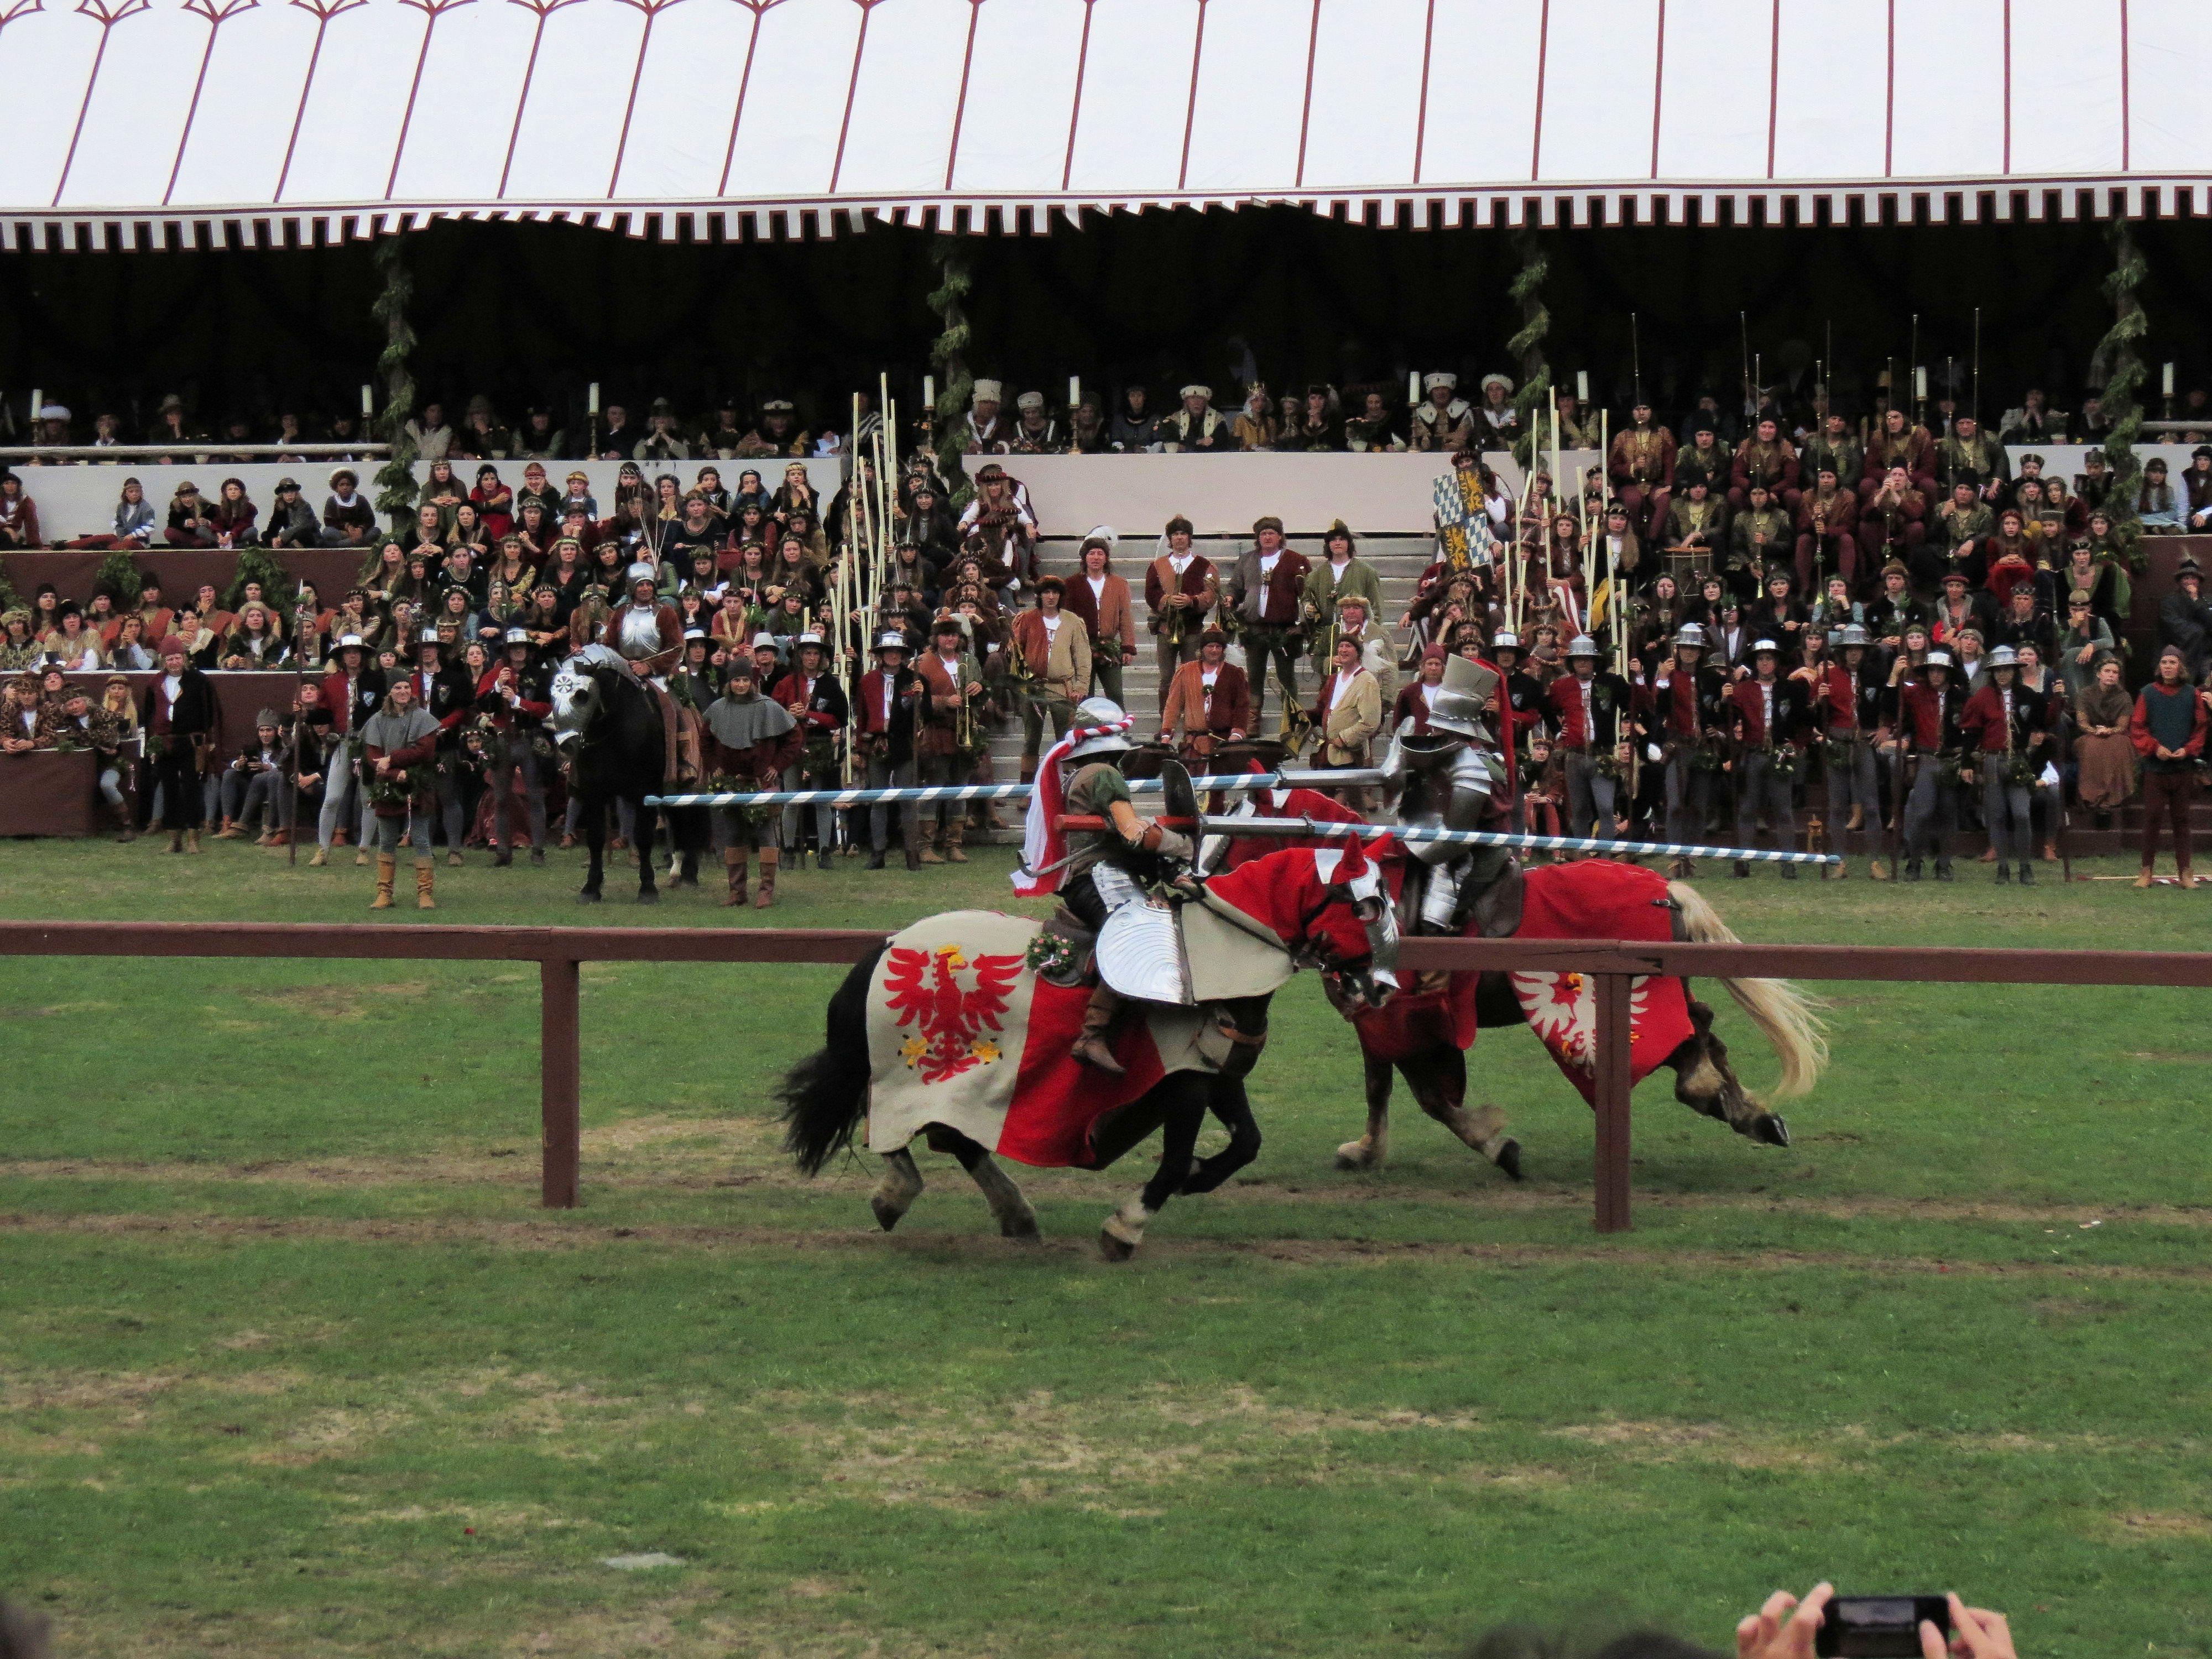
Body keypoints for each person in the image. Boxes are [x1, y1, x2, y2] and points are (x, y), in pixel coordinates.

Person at [703, 654, 800, 906]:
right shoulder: (718, 709)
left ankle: (766, 890)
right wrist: (714, 766)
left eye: (745, 680)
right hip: (731, 784)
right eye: (736, 680)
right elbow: (706, 741)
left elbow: (793, 737)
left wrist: (776, 766)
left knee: (766, 835)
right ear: (730, 682)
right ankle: (737, 891)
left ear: (752, 682)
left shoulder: (768, 707)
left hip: (761, 784)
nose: (741, 685)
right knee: (734, 835)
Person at [1958, 644, 2049, 884]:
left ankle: (2025, 866)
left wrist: (2058, 698)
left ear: (2015, 670)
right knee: (1996, 815)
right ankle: (2003, 868)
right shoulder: (1982, 698)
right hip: (1992, 760)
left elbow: (2044, 727)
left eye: (2007, 669)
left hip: (2018, 760)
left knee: (2021, 814)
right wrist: (1967, 762)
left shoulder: (2030, 696)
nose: (2002, 674)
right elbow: (1971, 732)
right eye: (1998, 670)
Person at [1727, 638, 1810, 877]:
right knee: (1748, 810)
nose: (1765, 663)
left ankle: (1788, 862)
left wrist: (1797, 745)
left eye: (1769, 659)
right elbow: (1730, 719)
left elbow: (1803, 720)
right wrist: (1726, 700)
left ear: (1776, 663)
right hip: (1753, 753)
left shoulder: (1790, 689)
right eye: (1761, 659)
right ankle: (1742, 862)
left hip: (1780, 754)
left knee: (1784, 810)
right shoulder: (1742, 690)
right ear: (1756, 663)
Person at [1648, 623, 1726, 873]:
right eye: (1685, 648)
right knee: (1676, 804)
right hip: (1678, 747)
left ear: (1700, 651)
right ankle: (1675, 855)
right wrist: (1661, 680)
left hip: (1702, 748)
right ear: (1678, 649)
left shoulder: (1712, 678)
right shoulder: (1668, 677)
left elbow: (1717, 714)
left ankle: (1693, 855)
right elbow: (1658, 710)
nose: (1689, 653)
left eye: (1694, 648)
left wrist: (1723, 706)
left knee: (1699, 805)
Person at [359, 676, 441, 909]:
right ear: (390, 692)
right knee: (386, 841)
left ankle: (425, 894)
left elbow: (425, 751)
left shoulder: (425, 719)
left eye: (406, 687)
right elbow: (374, 757)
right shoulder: (377, 720)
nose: (403, 691)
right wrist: (395, 774)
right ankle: (384, 894)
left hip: (419, 783)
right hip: (387, 785)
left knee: (422, 839)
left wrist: (394, 759)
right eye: (398, 687)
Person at [2131, 642, 2206, 888]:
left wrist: (2189, 750)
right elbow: (2137, 727)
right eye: (2164, 662)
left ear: (2180, 666)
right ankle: (2146, 872)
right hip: (2156, 768)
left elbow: (2201, 727)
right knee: (2152, 818)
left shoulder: (2191, 694)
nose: (2168, 667)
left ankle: (2185, 872)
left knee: (2182, 820)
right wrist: (2155, 748)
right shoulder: (2148, 693)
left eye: (2172, 662)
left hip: (2182, 768)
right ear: (2159, 666)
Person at [911, 614, 984, 864]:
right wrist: (944, 702)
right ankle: (925, 846)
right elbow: (913, 699)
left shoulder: (970, 661)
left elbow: (984, 693)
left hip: (965, 733)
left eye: (954, 634)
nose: (950, 639)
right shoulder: (922, 663)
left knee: (960, 789)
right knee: (934, 788)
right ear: (936, 638)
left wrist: (979, 688)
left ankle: (954, 844)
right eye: (945, 634)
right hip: (937, 734)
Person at [476, 627, 551, 865]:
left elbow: (546, 708)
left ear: (528, 651)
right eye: (514, 648)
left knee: (535, 797)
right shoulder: (495, 674)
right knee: (501, 798)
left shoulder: (540, 674)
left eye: (523, 647)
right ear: (507, 651)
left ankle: (538, 850)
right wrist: (498, 687)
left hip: (529, 738)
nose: (519, 651)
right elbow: (482, 703)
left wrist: (518, 702)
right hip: (502, 740)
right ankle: (503, 851)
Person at [773, 632, 848, 867]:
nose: (812, 658)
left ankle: (824, 851)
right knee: (792, 799)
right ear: (800, 656)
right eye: (807, 653)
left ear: (822, 657)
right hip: (792, 745)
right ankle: (787, 851)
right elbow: (773, 715)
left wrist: (810, 715)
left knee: (821, 799)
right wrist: (789, 715)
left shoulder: (831, 684)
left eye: (816, 653)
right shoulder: (787, 683)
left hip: (820, 744)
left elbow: (839, 719)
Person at [1893, 645, 1966, 880]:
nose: (1936, 674)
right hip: (1926, 759)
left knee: (1948, 813)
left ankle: (1944, 864)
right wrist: (1895, 675)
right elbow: (1891, 702)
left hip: (1951, 760)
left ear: (1948, 672)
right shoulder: (1916, 693)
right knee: (1922, 812)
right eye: (1932, 670)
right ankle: (1914, 862)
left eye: (1940, 670)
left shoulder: (1961, 696)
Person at [1230, 515, 1311, 727]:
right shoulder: (1247, 560)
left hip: (1284, 630)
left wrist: (1303, 623)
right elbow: (1235, 587)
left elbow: (1307, 594)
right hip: (1254, 628)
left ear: (1280, 537)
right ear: (1258, 537)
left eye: (1272, 533)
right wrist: (1231, 598)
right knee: (1254, 675)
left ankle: (1292, 720)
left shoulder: (1296, 561)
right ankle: (1253, 719)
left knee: (1286, 677)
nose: (1267, 537)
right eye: (1263, 534)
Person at [1548, 634, 1630, 842]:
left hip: (1602, 755)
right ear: (1572, 662)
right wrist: (1558, 731)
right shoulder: (1561, 687)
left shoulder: (1612, 682)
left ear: (1595, 661)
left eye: (1587, 658)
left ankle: (1605, 856)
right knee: (1580, 809)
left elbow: (1633, 704)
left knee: (1605, 806)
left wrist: (1638, 677)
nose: (1582, 662)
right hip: (1574, 756)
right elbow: (1546, 708)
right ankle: (1583, 857)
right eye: (1578, 658)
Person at [139, 634, 216, 851]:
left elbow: (209, 712)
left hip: (190, 743)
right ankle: (174, 839)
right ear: (164, 661)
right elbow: (149, 713)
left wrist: (205, 740)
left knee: (191, 788)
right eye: (170, 659)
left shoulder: (199, 681)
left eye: (177, 658)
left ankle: (193, 839)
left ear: (184, 658)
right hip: (165, 744)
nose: (174, 663)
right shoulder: (155, 683)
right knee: (169, 789)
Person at [1011, 576, 1091, 786]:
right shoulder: (1027, 619)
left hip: (1062, 687)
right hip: (1033, 687)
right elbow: (1016, 655)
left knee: (1065, 741)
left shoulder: (1073, 621)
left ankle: (1067, 786)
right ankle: (1027, 790)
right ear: (1039, 595)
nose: (1051, 597)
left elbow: (1082, 657)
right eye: (1047, 592)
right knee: (1031, 740)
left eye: (1055, 593)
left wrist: (1080, 686)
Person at [854, 630, 922, 869]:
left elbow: (927, 714)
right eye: (888, 652)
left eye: (897, 652)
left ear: (902, 655)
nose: (893, 656)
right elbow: (861, 716)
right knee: (878, 799)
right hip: (876, 743)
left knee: (908, 799)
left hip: (903, 742)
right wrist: (860, 747)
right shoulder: (867, 681)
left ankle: (912, 853)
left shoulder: (915, 680)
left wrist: (920, 698)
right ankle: (878, 852)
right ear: (881, 655)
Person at [1144, 515, 1218, 712]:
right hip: (1166, 629)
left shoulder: (1204, 565)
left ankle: (1192, 716)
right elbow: (1151, 593)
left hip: (1192, 630)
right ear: (1170, 539)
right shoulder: (1158, 566)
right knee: (1167, 677)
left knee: (1193, 675)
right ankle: (1166, 717)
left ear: (1189, 538)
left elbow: (1211, 594)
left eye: (1183, 534)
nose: (1179, 538)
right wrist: (1167, 600)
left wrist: (1191, 601)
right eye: (1175, 534)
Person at [1062, 530, 1136, 705]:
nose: (1096, 557)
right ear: (1085, 558)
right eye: (1091, 553)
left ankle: (1119, 729)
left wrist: (1128, 647)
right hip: (1082, 648)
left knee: (1116, 694)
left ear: (1106, 558)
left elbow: (1125, 615)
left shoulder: (1119, 583)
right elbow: (1066, 618)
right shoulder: (1072, 584)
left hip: (1108, 647)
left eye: (1100, 553)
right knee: (1084, 696)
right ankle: (1085, 730)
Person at [1158, 625, 1250, 764]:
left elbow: (1242, 706)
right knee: (1193, 782)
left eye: (1218, 647)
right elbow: (1173, 706)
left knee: (1220, 784)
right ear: (1202, 648)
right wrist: (1166, 734)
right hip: (1194, 742)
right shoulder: (1186, 671)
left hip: (1224, 742)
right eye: (1211, 646)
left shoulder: (1235, 673)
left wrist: (1237, 734)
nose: (1215, 650)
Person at [2073, 653, 2136, 821]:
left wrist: (2109, 731)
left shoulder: (2124, 697)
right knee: (2092, 746)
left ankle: (2116, 795)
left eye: (2115, 673)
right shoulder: (2085, 694)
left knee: (2120, 744)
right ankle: (2091, 795)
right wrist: (2096, 731)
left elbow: (2123, 726)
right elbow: (2082, 721)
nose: (2111, 675)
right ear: (2099, 674)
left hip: (2115, 734)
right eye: (2107, 671)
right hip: (2090, 733)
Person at [217, 710, 295, 844]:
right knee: (229, 774)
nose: (265, 735)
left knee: (268, 778)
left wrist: (267, 767)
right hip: (251, 790)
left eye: (269, 730)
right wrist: (239, 765)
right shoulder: (252, 749)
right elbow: (233, 763)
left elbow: (286, 766)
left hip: (272, 788)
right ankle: (227, 822)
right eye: (262, 730)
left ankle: (250, 826)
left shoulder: (283, 749)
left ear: (276, 731)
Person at [2158, 558, 2212, 681]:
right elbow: (2173, 626)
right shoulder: (2169, 601)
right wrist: (2198, 631)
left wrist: (2196, 600)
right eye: (2186, 578)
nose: (2190, 582)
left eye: (2193, 578)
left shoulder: (2205, 601)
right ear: (2180, 581)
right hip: (2181, 654)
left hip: (2205, 654)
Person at [1407, 373, 1473, 452]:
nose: (1441, 393)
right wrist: (1449, 436)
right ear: (1431, 392)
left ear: (1450, 391)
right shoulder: (1421, 412)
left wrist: (1452, 443)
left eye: (1444, 388)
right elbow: (1424, 441)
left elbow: (1463, 436)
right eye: (1436, 389)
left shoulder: (1464, 409)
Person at [321, 468, 377, 546]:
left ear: (353, 487)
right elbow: (329, 521)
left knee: (375, 532)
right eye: (342, 485)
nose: (345, 488)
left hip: (361, 533)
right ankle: (354, 542)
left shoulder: (361, 499)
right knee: (327, 532)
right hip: (342, 534)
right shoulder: (332, 501)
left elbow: (370, 519)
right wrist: (347, 528)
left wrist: (360, 530)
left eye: (348, 485)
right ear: (336, 488)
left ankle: (347, 543)